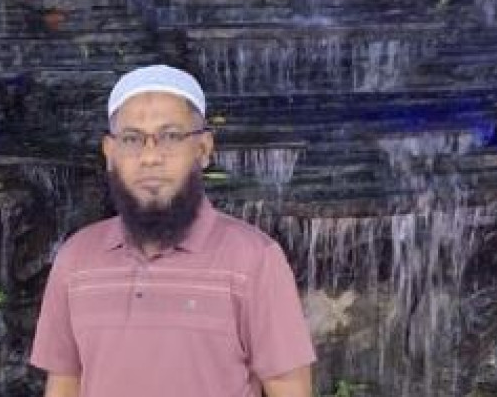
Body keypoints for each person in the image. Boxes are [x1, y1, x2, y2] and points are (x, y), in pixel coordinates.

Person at [29, 65, 316, 397]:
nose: (151, 157)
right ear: (110, 152)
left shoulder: (255, 260)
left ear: (203, 148)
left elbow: (289, 389)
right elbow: (64, 384)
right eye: (132, 139)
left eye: (170, 136)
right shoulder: (76, 258)